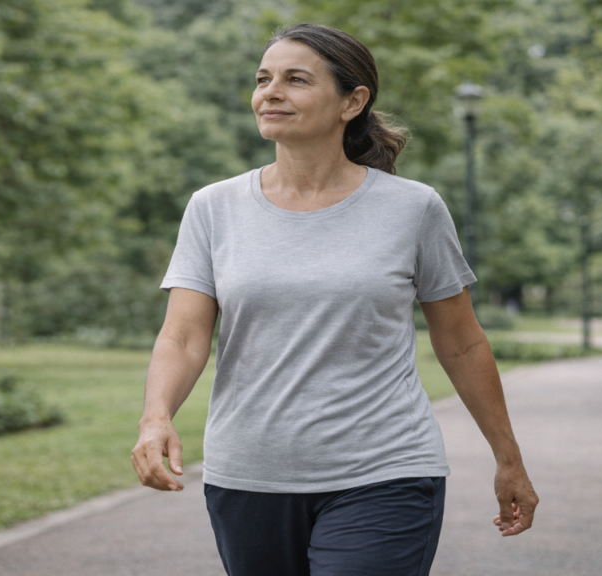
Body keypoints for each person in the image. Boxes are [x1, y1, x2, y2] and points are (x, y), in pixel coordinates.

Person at [131, 23, 538, 576]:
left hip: (385, 470)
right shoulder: (213, 207)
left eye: (295, 79)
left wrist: (507, 457)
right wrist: (155, 418)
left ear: (353, 101)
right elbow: (182, 335)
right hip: (249, 474)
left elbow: (461, 341)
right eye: (263, 79)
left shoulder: (413, 209)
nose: (270, 92)